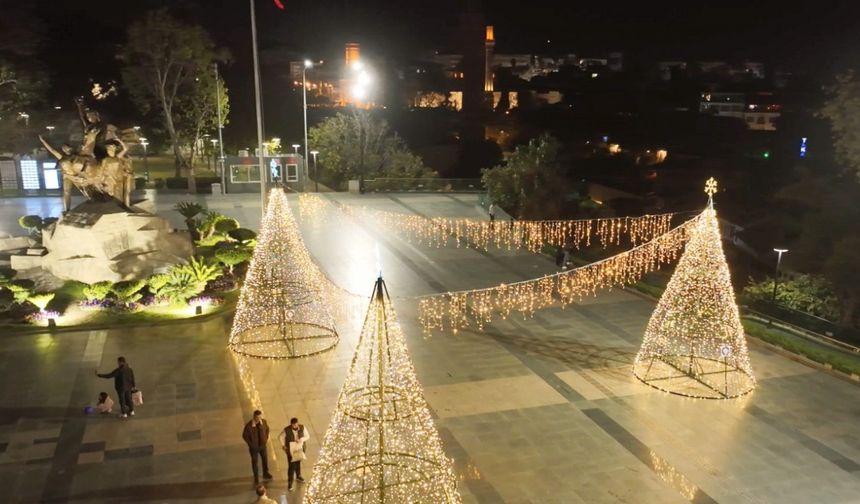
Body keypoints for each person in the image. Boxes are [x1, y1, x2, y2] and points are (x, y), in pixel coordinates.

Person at [279, 417, 310, 491]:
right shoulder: (286, 430)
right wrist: (283, 445)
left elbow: (307, 436)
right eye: (293, 425)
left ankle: (298, 476)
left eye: (296, 424)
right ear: (291, 424)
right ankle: (290, 483)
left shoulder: (302, 427)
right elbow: (280, 437)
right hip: (291, 451)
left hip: (300, 449)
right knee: (291, 467)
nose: (295, 426)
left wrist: (301, 439)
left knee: (298, 462)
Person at [243, 410, 273, 484]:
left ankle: (265, 473)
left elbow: (267, 430)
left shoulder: (264, 422)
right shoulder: (249, 426)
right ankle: (256, 477)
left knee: (265, 460)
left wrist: (265, 439)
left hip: (262, 446)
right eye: (257, 417)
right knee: (255, 462)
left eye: (260, 417)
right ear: (254, 416)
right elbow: (245, 436)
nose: (259, 419)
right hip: (254, 448)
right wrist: (251, 445)